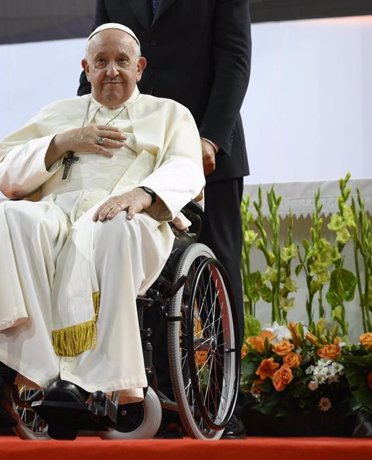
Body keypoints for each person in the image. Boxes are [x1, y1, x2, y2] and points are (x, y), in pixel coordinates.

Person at [0, 23, 204, 427]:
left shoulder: (168, 114)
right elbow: (6, 169)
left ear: (140, 67)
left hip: (132, 216)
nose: (112, 70)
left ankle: (89, 382)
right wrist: (62, 142)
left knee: (110, 227)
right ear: (86, 67)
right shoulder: (59, 113)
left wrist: (144, 194)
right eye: (101, 62)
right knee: (4, 219)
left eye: (121, 61)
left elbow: (186, 166)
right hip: (58, 212)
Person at [78, 0, 252, 438]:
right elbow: (102, 54)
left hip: (206, 148)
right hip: (133, 149)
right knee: (143, 270)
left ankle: (219, 406)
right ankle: (151, 399)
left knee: (219, 267)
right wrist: (80, 125)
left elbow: (234, 59)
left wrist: (210, 137)